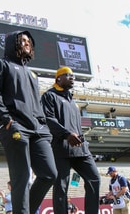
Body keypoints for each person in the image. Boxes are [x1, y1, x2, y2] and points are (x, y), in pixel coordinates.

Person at [0, 30, 57, 214]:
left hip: (38, 129)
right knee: (22, 178)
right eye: (23, 40)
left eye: (29, 41)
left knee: (50, 174)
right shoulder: (1, 64)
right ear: (13, 43)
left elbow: (36, 103)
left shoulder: (33, 74)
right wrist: (6, 119)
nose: (27, 43)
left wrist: (43, 126)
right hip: (15, 126)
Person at [41, 66, 101, 214]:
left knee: (95, 179)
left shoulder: (73, 101)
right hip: (61, 148)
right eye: (68, 75)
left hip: (80, 148)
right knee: (61, 186)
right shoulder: (49, 96)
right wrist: (66, 134)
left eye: (73, 76)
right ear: (58, 78)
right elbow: (48, 119)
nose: (72, 77)